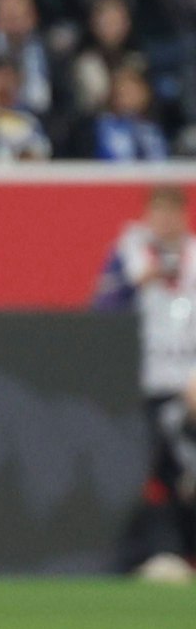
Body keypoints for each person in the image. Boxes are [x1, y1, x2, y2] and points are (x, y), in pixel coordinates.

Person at [92, 185, 196, 578]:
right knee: (146, 472)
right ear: (148, 216)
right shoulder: (128, 254)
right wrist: (134, 283)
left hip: (188, 383)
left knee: (181, 473)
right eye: (159, 213)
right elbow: (100, 311)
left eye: (174, 213)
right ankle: (155, 554)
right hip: (142, 383)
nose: (166, 221)